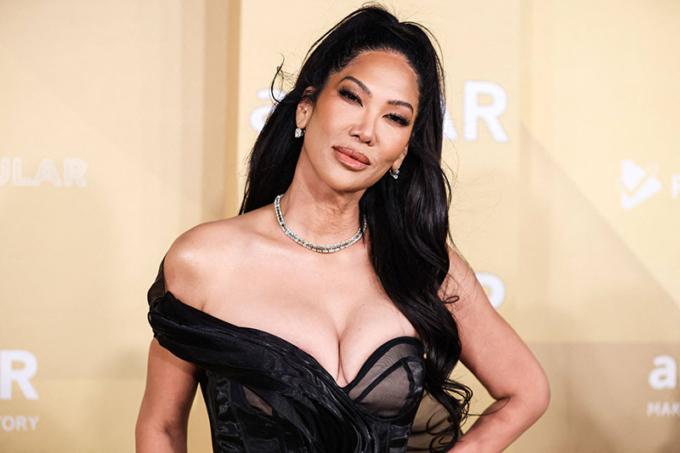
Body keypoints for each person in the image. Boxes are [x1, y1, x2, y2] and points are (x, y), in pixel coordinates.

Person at [136, 5, 549, 453]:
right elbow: (162, 427)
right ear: (306, 107)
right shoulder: (205, 260)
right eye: (353, 97)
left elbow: (526, 392)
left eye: (395, 117)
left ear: (402, 151)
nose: (366, 131)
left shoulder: (422, 264)